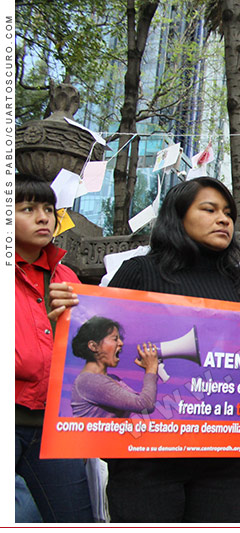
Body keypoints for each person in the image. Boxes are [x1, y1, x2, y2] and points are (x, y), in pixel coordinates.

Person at [49, 177, 240, 522]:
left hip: (222, 463)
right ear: (177, 217)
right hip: (145, 461)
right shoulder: (139, 272)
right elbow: (101, 348)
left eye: (228, 213)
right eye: (209, 209)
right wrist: (66, 313)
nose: (224, 219)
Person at [14, 176, 93, 523]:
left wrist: (69, 322)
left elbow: (88, 349)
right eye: (27, 209)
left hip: (53, 424)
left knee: (74, 518)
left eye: (48, 208)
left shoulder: (68, 278)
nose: (43, 217)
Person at [70, 316, 160, 418]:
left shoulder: (112, 379)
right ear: (93, 346)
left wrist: (151, 368)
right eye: (115, 339)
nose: (121, 343)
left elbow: (142, 400)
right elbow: (145, 405)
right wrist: (151, 369)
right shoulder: (88, 381)